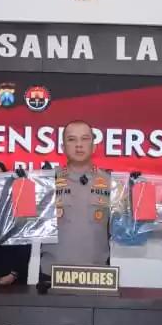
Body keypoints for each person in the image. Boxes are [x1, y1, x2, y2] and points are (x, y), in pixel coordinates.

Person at [39, 120, 111, 281]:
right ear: (63, 147)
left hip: (97, 274)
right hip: (53, 273)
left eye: (85, 139)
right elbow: (24, 225)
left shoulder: (110, 182)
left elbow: (126, 231)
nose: (79, 145)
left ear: (94, 146)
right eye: (72, 139)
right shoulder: (46, 181)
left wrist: (139, 192)